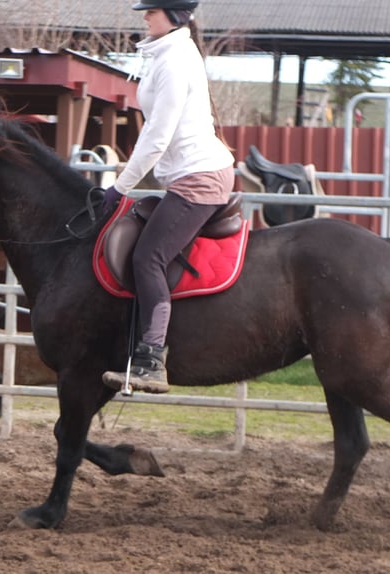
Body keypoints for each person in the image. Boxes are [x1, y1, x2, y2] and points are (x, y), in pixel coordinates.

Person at [101, 0, 235, 394]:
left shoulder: (175, 61)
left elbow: (157, 136)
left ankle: (152, 360)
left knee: (148, 257)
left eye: (152, 10)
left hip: (199, 178)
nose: (144, 15)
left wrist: (120, 186)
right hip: (185, 175)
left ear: (175, 16)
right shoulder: (165, 54)